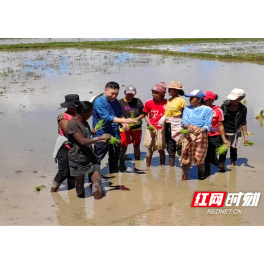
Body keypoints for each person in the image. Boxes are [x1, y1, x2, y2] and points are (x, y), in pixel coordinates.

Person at [66, 101, 112, 199]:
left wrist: (91, 132)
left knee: (97, 180)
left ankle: (98, 204)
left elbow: (85, 135)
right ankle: (80, 204)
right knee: (79, 184)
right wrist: (99, 138)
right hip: (78, 158)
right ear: (83, 112)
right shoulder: (72, 124)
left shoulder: (84, 121)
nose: (91, 114)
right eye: (90, 112)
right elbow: (82, 141)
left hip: (90, 155)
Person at [92, 82, 137, 173]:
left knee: (115, 158)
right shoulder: (99, 101)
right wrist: (125, 121)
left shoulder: (115, 101)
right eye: (112, 93)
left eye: (116, 94)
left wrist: (124, 124)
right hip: (102, 134)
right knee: (97, 158)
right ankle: (93, 178)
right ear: (105, 90)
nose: (114, 96)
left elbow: (119, 114)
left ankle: (114, 177)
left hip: (115, 133)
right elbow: (106, 117)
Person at [180, 90, 213, 180]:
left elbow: (207, 125)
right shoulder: (187, 109)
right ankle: (185, 177)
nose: (190, 99)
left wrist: (201, 130)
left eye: (192, 98)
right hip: (188, 135)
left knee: (199, 157)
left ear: (199, 99)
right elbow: (184, 122)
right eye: (190, 97)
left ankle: (201, 176)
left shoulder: (208, 110)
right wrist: (187, 126)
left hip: (201, 135)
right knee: (186, 156)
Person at [51, 94, 80, 192]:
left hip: (76, 145)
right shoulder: (63, 116)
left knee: (73, 172)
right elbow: (69, 133)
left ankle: (71, 192)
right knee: (63, 172)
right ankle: (53, 191)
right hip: (65, 145)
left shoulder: (79, 115)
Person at [219, 88, 248, 167]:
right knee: (223, 151)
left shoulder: (243, 109)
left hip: (236, 132)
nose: (231, 100)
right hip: (224, 131)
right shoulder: (224, 106)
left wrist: (245, 136)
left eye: (234, 98)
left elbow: (243, 123)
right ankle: (222, 165)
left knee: (234, 150)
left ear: (240, 99)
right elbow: (219, 121)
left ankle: (233, 165)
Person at [118, 85, 145, 171]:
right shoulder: (120, 102)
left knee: (136, 145)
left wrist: (136, 119)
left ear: (135, 94)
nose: (130, 96)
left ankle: (137, 164)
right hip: (124, 127)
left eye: (132, 94)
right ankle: (122, 164)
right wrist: (124, 124)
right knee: (123, 146)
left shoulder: (138, 101)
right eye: (128, 94)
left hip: (136, 127)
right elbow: (116, 116)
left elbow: (143, 113)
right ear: (124, 93)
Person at [204, 91, 230, 176]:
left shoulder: (218, 110)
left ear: (211, 100)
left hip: (215, 136)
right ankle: (206, 173)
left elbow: (221, 125)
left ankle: (222, 168)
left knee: (212, 157)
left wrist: (224, 139)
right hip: (203, 136)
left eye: (205, 99)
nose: (203, 101)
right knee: (205, 157)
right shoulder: (201, 109)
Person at [161, 81, 186, 167]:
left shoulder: (181, 101)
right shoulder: (169, 100)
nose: (170, 91)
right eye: (169, 89)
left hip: (177, 124)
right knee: (170, 144)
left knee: (179, 144)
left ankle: (183, 165)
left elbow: (184, 115)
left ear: (177, 90)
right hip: (168, 125)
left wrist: (184, 126)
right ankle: (172, 167)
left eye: (172, 89)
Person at [143, 82, 167, 167]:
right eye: (153, 92)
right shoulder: (148, 103)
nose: (154, 94)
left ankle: (163, 167)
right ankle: (147, 167)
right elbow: (145, 114)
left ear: (162, 94)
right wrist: (149, 123)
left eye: (156, 93)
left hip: (161, 128)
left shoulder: (167, 103)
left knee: (161, 149)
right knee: (150, 149)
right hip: (151, 128)